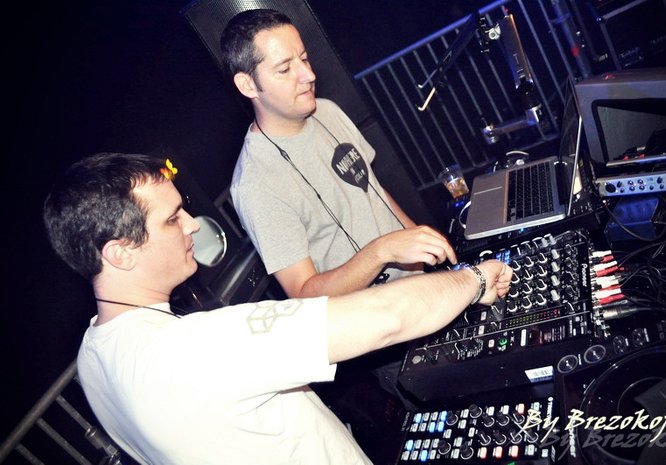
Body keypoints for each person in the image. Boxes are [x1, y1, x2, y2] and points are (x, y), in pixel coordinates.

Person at [43, 152, 512, 464]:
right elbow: (388, 318)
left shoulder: (93, 356)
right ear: (120, 253)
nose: (192, 224)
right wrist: (473, 281)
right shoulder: (190, 349)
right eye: (171, 219)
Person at [221, 8, 457, 406]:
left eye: (304, 58)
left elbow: (373, 190)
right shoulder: (257, 183)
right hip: (387, 330)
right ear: (248, 84)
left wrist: (422, 244)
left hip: (426, 286)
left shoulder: (326, 110)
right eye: (285, 68)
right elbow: (304, 297)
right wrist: (382, 251)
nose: (307, 75)